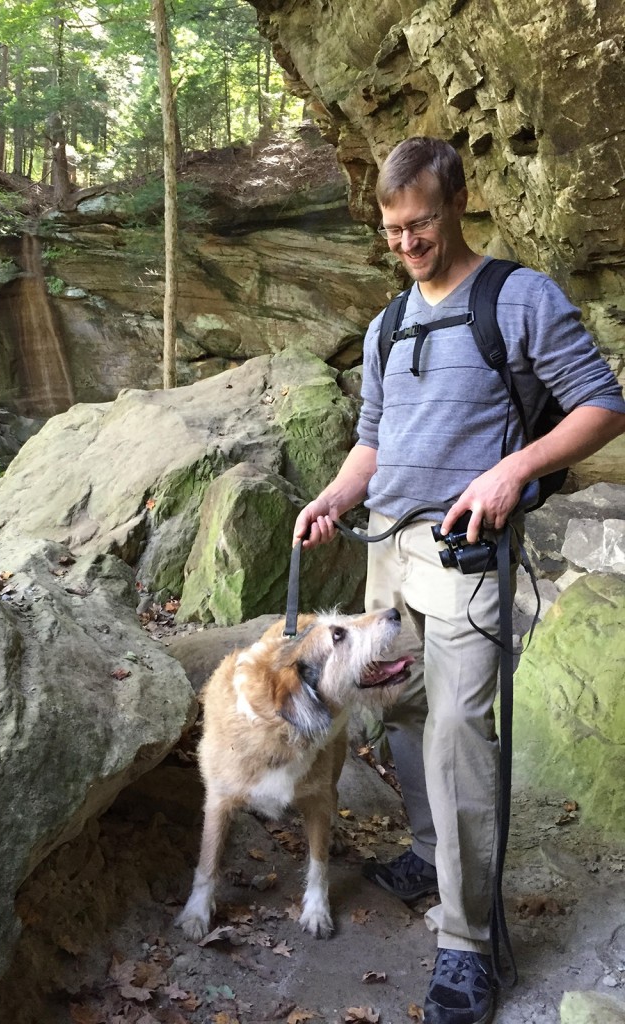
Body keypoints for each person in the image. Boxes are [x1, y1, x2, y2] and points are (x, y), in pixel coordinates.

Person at [293, 136, 625, 1024]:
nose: (406, 242)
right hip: (388, 550)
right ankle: (434, 849)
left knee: (457, 736)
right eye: (393, 228)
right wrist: (331, 497)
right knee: (397, 710)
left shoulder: (516, 298)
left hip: (467, 555)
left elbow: (601, 402)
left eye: (422, 223)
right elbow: (373, 438)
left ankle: (468, 942)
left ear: (458, 204)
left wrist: (515, 471)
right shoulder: (386, 324)